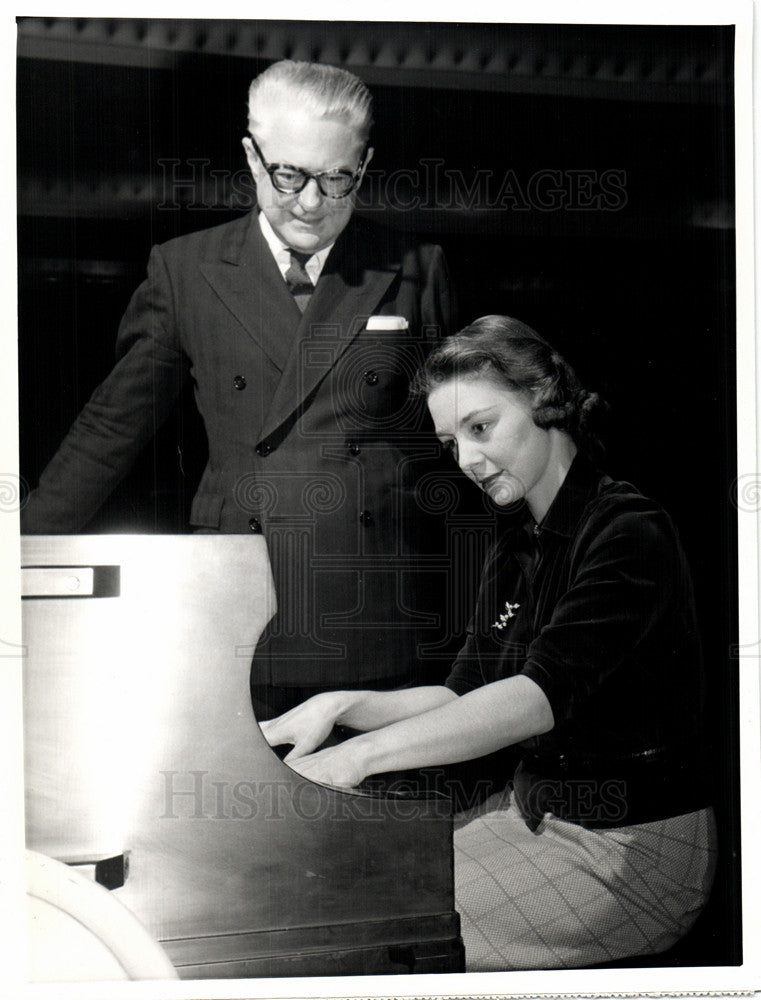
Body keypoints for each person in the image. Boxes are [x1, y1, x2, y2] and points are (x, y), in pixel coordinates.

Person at [260, 315, 717, 971]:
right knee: (324, 889)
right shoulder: (515, 539)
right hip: (527, 815)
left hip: (632, 849)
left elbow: (533, 699)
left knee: (351, 929)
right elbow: (462, 692)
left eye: (480, 428)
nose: (466, 461)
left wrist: (354, 759)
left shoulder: (628, 529)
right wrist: (338, 705)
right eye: (450, 442)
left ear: (544, 402)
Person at [20, 60, 456, 718]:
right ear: (252, 158)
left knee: (371, 807)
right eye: (290, 176)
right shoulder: (185, 270)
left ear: (362, 167)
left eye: (337, 179)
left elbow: (461, 439)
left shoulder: (417, 268)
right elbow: (112, 429)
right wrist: (21, 548)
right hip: (240, 594)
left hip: (372, 601)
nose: (312, 202)